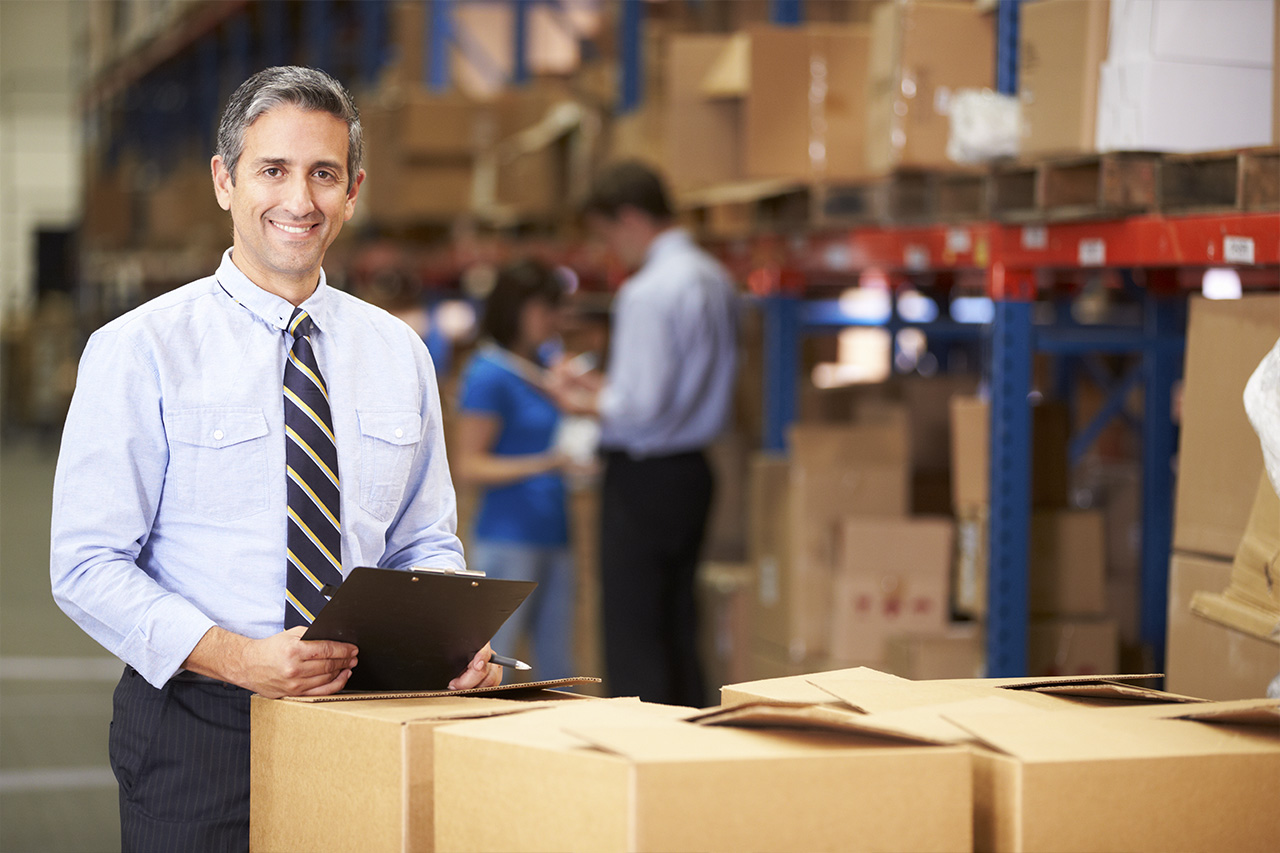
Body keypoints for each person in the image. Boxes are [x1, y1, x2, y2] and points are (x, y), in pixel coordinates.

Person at [49, 66, 499, 853]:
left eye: (324, 173)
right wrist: (240, 658)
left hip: (365, 711)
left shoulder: (398, 353)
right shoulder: (139, 350)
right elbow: (86, 564)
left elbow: (423, 542)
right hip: (199, 728)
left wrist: (453, 634)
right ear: (225, 181)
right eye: (274, 170)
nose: (300, 200)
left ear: (353, 191)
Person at [548, 161, 739, 707]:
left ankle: (646, 756)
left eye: (608, 233)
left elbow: (637, 408)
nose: (611, 248)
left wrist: (579, 400)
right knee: (678, 622)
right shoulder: (713, 277)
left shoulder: (648, 292)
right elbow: (670, 391)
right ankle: (692, 740)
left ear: (630, 218)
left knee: (634, 632)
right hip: (694, 470)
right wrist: (606, 389)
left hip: (645, 480)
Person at [454, 260, 576, 680]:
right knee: (491, 664)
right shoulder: (489, 373)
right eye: (546, 309)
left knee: (558, 665)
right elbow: (469, 465)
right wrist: (546, 463)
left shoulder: (545, 366)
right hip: (508, 537)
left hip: (554, 531)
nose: (554, 320)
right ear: (517, 310)